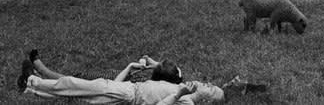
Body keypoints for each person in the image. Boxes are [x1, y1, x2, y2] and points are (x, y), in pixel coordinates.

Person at [19, 50, 267, 104]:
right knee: (77, 91)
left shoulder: (187, 100)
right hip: (127, 90)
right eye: (209, 84)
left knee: (75, 85)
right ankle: (32, 86)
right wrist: (154, 64)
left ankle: (34, 82)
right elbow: (171, 75)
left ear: (205, 100)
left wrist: (179, 95)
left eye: (208, 88)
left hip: (130, 92)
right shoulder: (185, 88)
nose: (204, 84)